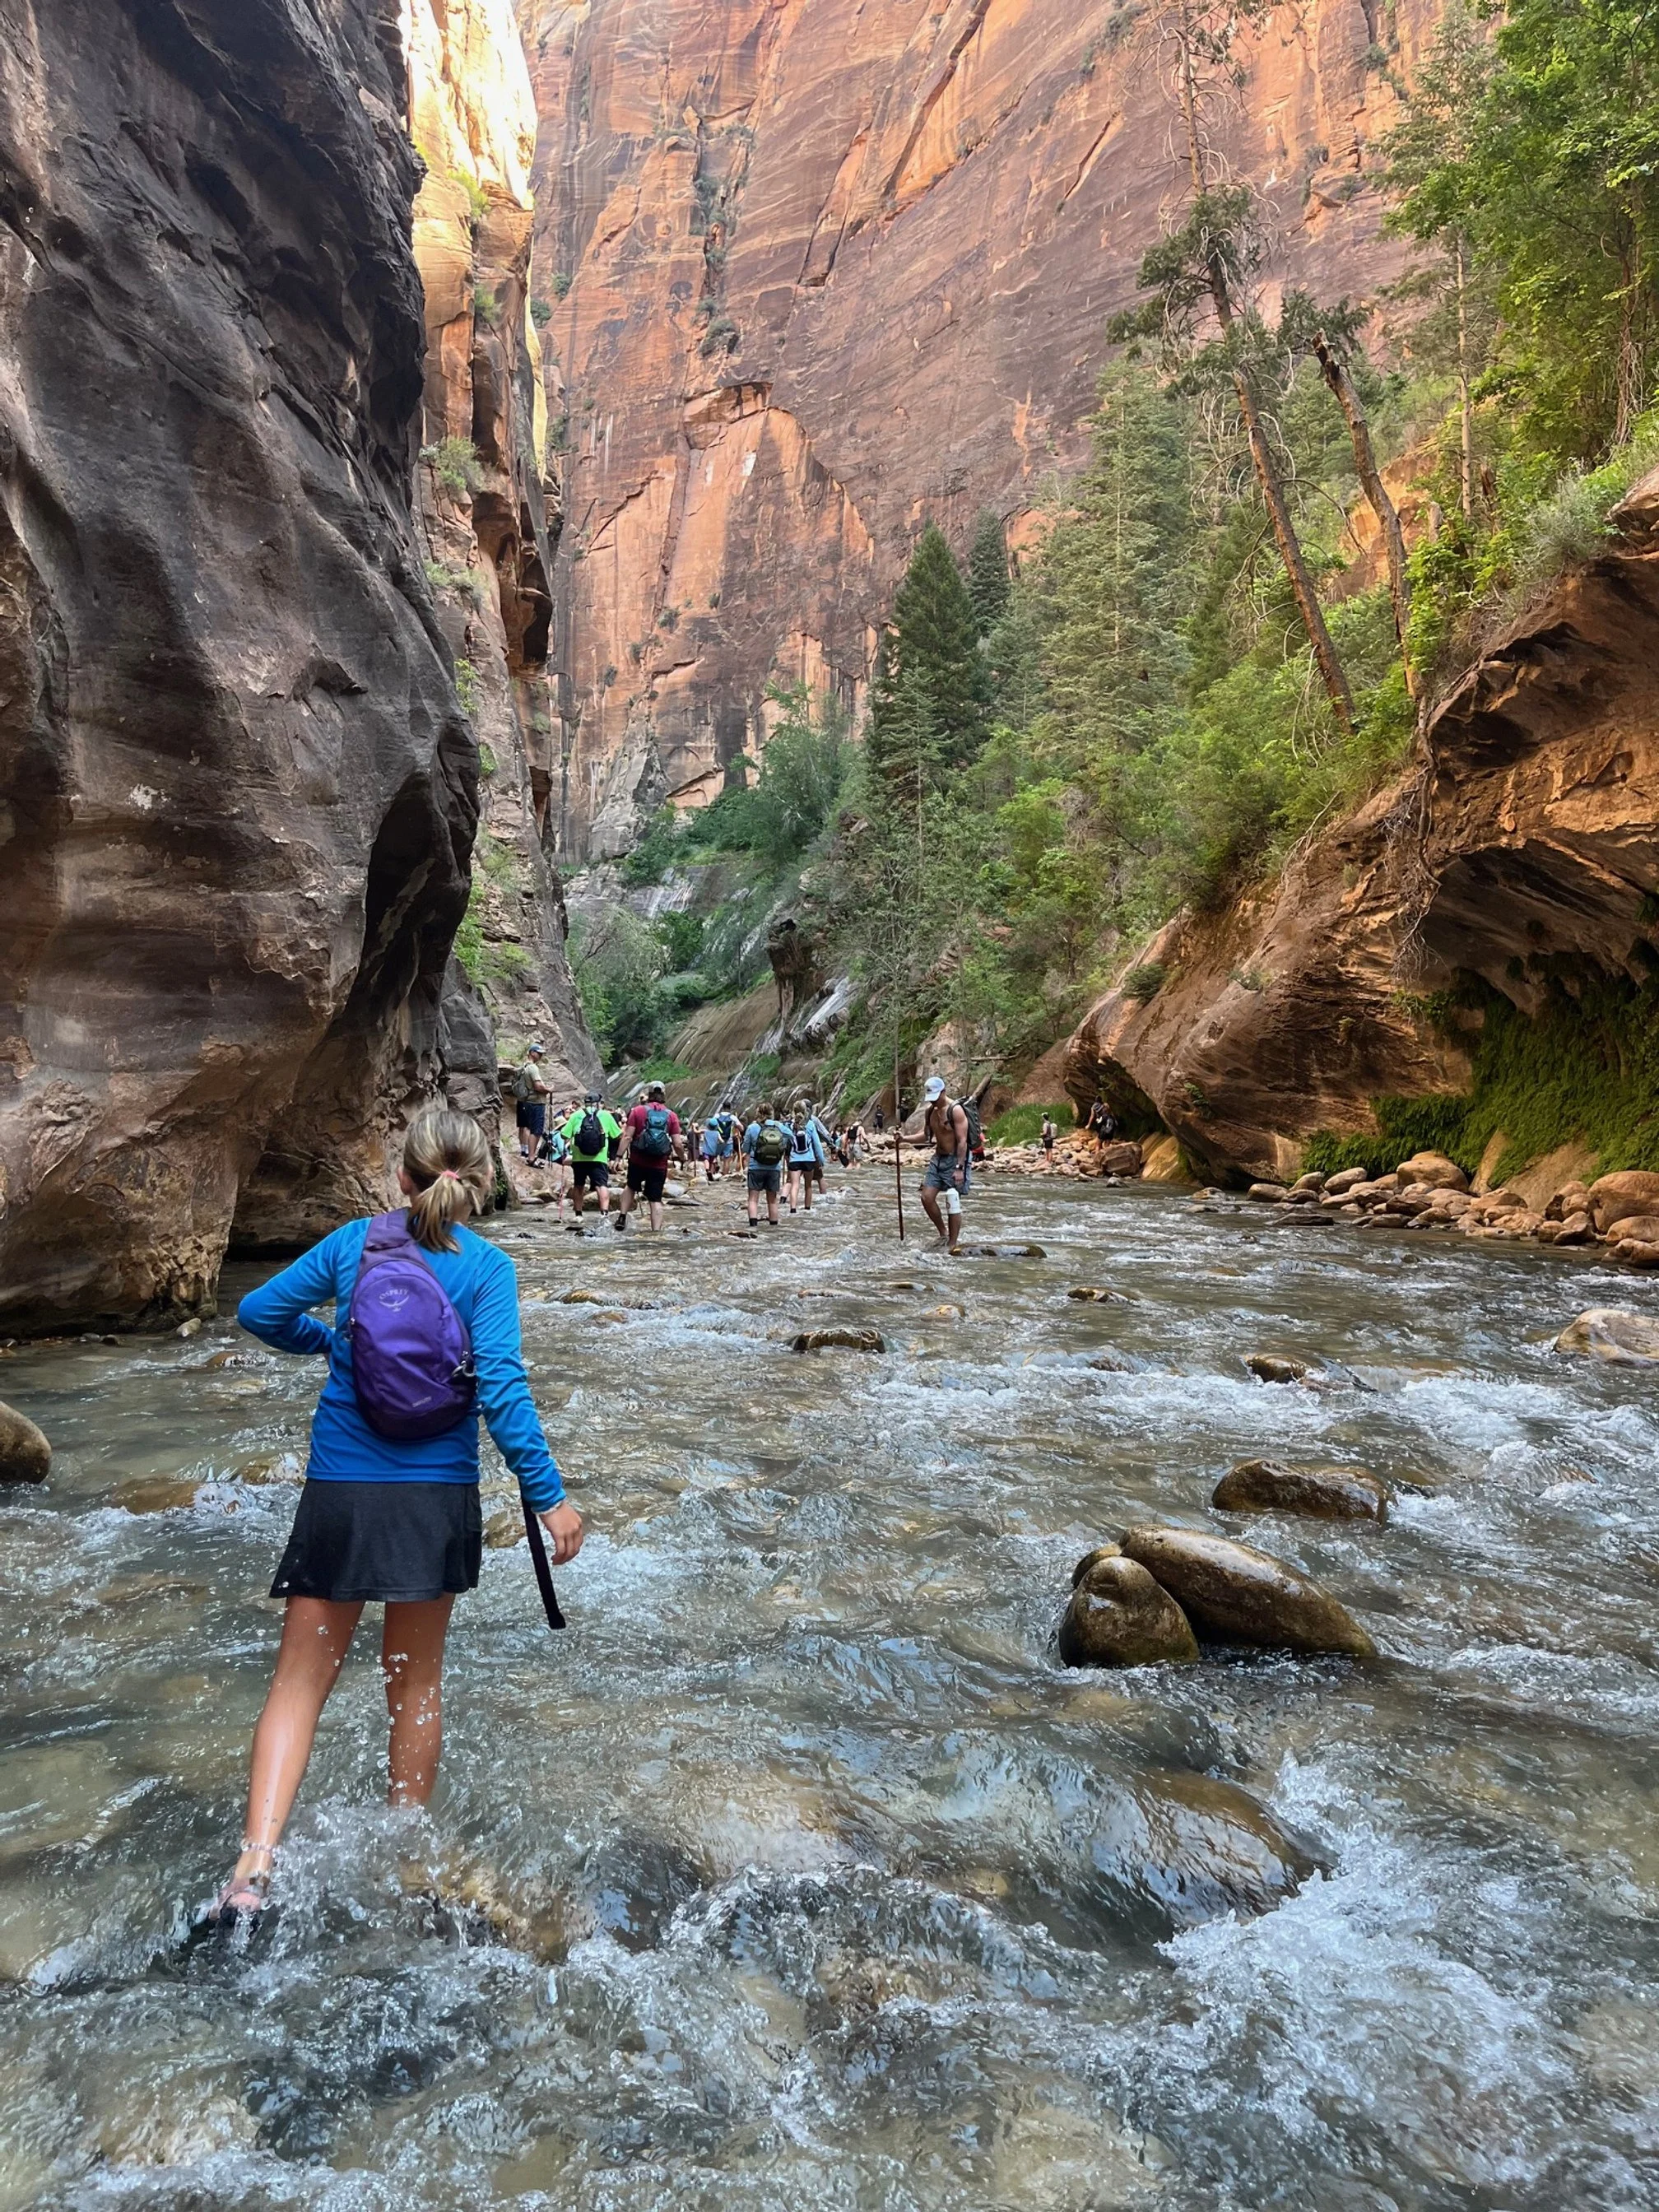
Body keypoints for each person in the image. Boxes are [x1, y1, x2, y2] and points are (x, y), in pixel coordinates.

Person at [215, 1108, 584, 1929]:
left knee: (299, 1684)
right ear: (479, 1183)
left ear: (401, 1176)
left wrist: (331, 1343)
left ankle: (252, 1868)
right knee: (414, 1681)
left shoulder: (354, 1246)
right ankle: (407, 1858)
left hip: (342, 1490)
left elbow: (258, 1313)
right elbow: (502, 1390)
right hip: (433, 1497)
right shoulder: (487, 1269)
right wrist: (549, 1495)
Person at [616, 1081, 685, 1233]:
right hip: (659, 1164)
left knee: (631, 1187)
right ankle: (656, 1232)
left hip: (637, 1160)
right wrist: (683, 1158)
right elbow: (678, 1143)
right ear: (664, 1094)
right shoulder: (671, 1115)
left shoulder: (638, 1111)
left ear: (649, 1094)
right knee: (655, 1199)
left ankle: (622, 1217)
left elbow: (627, 1136)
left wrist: (618, 1157)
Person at [918, 1075, 971, 1252]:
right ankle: (943, 1232)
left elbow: (963, 1141)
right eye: (930, 1099)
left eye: (936, 1098)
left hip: (955, 1159)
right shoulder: (930, 1112)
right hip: (937, 1159)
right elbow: (925, 1137)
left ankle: (953, 1243)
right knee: (926, 1197)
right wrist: (903, 1138)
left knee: (952, 1198)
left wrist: (960, 1168)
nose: (933, 1102)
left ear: (944, 1092)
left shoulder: (956, 1110)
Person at [559, 1091, 623, 1219]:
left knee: (579, 1186)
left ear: (585, 1103)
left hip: (579, 1158)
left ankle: (578, 1215)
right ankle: (604, 1215)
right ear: (598, 1103)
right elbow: (618, 1135)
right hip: (599, 1158)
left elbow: (564, 1135)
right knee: (601, 1185)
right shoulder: (606, 1115)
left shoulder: (576, 1115)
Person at [744, 1100, 792, 1227]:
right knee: (772, 1200)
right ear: (771, 1113)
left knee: (753, 1199)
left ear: (758, 1113)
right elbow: (790, 1135)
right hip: (774, 1167)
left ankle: (753, 1227)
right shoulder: (778, 1126)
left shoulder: (752, 1128)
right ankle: (774, 1227)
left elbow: (745, 1148)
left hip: (756, 1167)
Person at [512, 1043, 549, 1161]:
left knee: (525, 1126)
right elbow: (538, 1086)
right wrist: (549, 1089)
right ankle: (531, 1156)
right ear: (532, 1053)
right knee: (535, 1129)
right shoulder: (532, 1068)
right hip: (535, 1102)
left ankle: (525, 1150)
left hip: (525, 1101)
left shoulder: (524, 1067)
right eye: (539, 1053)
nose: (541, 1056)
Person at [787, 1104, 825, 1214]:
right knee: (808, 1186)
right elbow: (817, 1144)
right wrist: (821, 1160)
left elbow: (786, 1142)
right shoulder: (810, 1124)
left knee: (795, 1185)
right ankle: (807, 1208)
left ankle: (793, 1209)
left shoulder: (790, 1125)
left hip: (794, 1159)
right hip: (809, 1159)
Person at [539, 1114, 571, 1220]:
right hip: (557, 1158)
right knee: (575, 1160)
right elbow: (562, 1150)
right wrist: (568, 1147)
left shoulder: (552, 1134)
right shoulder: (560, 1135)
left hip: (550, 1158)